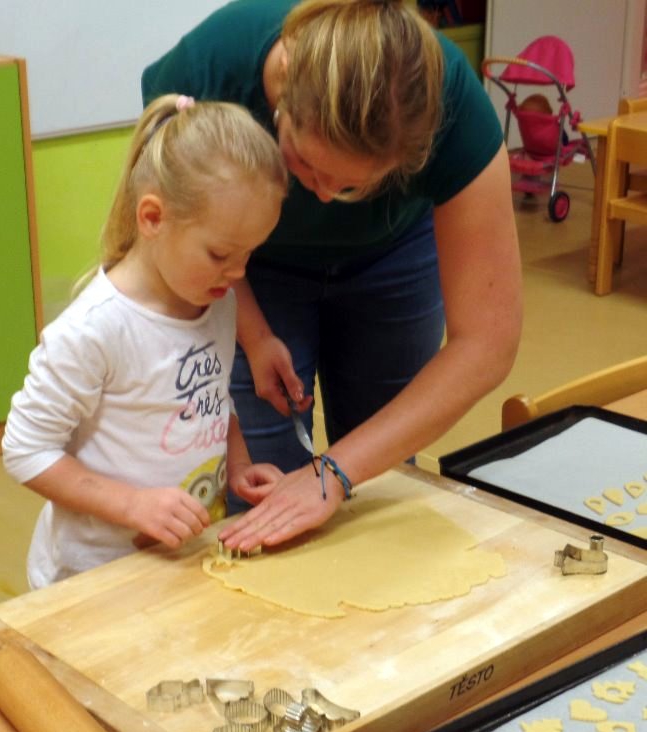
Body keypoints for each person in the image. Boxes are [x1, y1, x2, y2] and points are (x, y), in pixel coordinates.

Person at [141, 0, 523, 550]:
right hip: (248, 264)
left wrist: (335, 473)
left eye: (352, 186)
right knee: (262, 491)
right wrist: (254, 334)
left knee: (379, 483)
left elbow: (487, 344)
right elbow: (186, 239)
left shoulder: (449, 105)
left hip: (394, 257)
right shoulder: (214, 65)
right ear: (282, 96)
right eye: (303, 163)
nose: (323, 196)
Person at [2, 94, 290, 589]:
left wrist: (238, 464)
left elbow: (210, 399)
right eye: (220, 254)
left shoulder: (216, 300)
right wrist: (132, 504)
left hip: (180, 562)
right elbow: (25, 450)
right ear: (153, 218)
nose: (238, 273)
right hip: (91, 580)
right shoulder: (94, 329)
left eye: (250, 255)